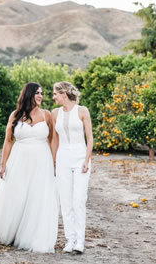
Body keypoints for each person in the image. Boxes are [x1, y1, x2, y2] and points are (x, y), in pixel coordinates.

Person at [0, 82, 58, 253]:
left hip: (42, 161)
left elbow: (53, 140)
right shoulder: (15, 115)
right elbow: (8, 141)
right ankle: (8, 232)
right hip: (19, 160)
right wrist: (3, 164)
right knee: (16, 195)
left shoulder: (47, 115)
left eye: (41, 93)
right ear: (28, 94)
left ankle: (32, 235)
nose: (40, 96)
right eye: (37, 93)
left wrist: (54, 161)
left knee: (37, 196)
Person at [51, 81, 93, 254]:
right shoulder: (55, 113)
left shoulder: (82, 111)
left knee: (78, 200)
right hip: (62, 158)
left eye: (55, 93)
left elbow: (90, 138)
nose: (53, 97)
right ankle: (70, 240)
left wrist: (86, 159)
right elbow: (54, 139)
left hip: (80, 156)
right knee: (66, 201)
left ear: (64, 93)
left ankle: (80, 242)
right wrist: (53, 162)